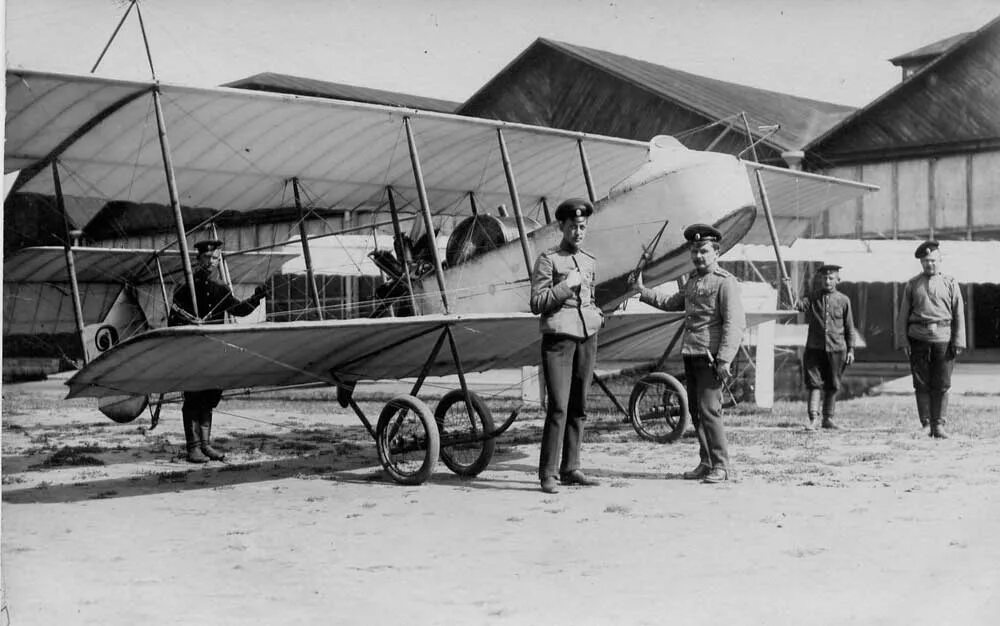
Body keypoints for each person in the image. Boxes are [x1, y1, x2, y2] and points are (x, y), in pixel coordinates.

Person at [633, 223, 745, 484]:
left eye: (704, 251)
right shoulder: (693, 282)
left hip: (711, 358)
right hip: (692, 353)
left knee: (710, 411)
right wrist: (642, 290)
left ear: (716, 252)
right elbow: (671, 303)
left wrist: (725, 359)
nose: (698, 256)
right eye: (695, 251)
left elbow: (734, 323)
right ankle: (706, 462)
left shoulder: (725, 283)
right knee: (696, 411)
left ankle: (721, 465)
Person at [529, 198, 604, 494]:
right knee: (558, 407)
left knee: (579, 406)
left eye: (582, 226)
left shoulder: (589, 260)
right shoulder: (548, 259)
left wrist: (598, 317)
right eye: (573, 226)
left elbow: (591, 298)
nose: (578, 231)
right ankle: (548, 473)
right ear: (562, 226)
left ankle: (571, 467)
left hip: (587, 337)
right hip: (559, 340)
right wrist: (566, 285)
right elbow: (537, 303)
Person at [169, 239, 268, 463]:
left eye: (215, 258)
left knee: (210, 396)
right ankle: (192, 447)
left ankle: (205, 445)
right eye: (207, 258)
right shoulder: (185, 288)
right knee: (193, 397)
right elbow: (173, 318)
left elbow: (238, 309)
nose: (211, 262)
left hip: (213, 351)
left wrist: (256, 298)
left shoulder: (220, 288)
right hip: (192, 350)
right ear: (197, 259)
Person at [894, 240, 965, 439]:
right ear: (921, 263)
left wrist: (958, 340)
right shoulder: (912, 284)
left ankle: (939, 425)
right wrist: (904, 341)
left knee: (942, 383)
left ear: (940, 260)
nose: (929, 265)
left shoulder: (950, 283)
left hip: (944, 339)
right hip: (918, 339)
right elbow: (903, 316)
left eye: (933, 260)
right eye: (926, 261)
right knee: (921, 382)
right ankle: (926, 424)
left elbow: (958, 313)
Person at [794, 264, 857, 430]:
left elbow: (850, 327)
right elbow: (799, 306)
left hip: (837, 349)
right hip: (815, 348)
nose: (827, 281)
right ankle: (813, 419)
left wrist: (851, 349)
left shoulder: (844, 301)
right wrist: (790, 288)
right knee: (814, 383)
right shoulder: (813, 297)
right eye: (824, 278)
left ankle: (828, 418)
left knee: (833, 383)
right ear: (820, 280)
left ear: (838, 280)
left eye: (831, 278)